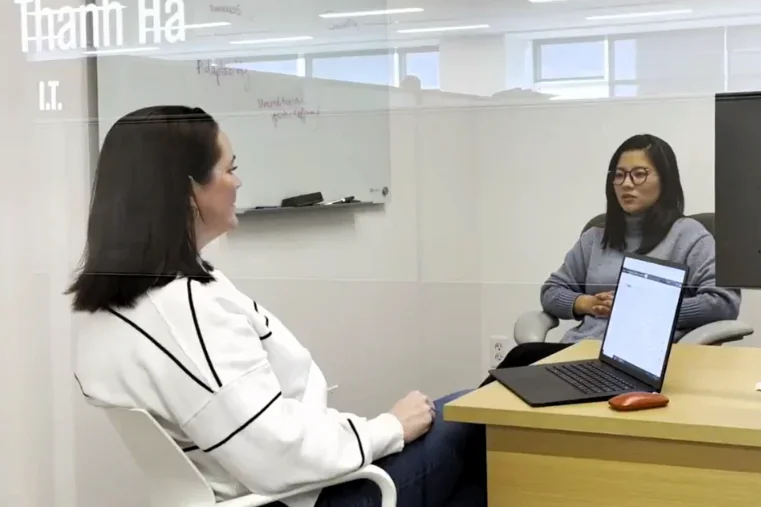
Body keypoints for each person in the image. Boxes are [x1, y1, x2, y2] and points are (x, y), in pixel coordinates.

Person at [69, 105, 485, 507]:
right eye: (229, 169)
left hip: (259, 483)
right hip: (296, 496)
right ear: (187, 190)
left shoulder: (110, 305)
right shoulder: (186, 310)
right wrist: (389, 428)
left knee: (471, 441)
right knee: (479, 421)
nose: (239, 182)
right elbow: (277, 450)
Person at [484, 133, 740, 382]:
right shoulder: (596, 238)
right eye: (619, 175)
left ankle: (462, 417)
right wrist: (587, 303)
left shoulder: (689, 237)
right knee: (512, 374)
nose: (627, 184)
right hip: (579, 354)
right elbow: (552, 292)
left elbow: (723, 302)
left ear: (665, 180)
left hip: (640, 363)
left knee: (516, 371)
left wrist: (635, 307)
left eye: (639, 174)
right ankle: (461, 416)